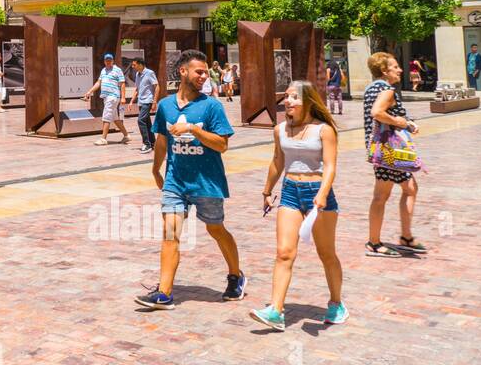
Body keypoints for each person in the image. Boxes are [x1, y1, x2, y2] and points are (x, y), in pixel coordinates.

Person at [134, 49, 245, 310]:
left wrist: (195, 129)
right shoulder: (165, 106)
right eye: (199, 71)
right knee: (170, 234)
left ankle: (235, 276)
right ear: (183, 71)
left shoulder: (211, 106)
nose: (204, 76)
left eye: (206, 72)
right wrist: (155, 169)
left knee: (215, 230)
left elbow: (222, 145)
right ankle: (164, 293)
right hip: (176, 181)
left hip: (207, 181)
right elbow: (161, 139)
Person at [250, 80, 347, 331]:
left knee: (326, 254)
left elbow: (330, 165)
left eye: (294, 97)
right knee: (284, 252)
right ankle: (275, 311)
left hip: (318, 194)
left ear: (309, 101)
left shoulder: (324, 130)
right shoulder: (280, 129)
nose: (288, 101)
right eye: (286, 96)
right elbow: (277, 161)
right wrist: (267, 190)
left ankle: (336, 303)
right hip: (290, 191)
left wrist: (323, 193)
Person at [364, 52, 425, 257]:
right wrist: (403, 123)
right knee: (381, 195)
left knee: (410, 188)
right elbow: (377, 113)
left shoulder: (372, 88)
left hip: (384, 150)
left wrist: (407, 120)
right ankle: (374, 243)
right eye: (395, 67)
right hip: (389, 151)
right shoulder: (387, 90)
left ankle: (406, 237)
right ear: (384, 71)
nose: (400, 70)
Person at [85, 52, 129, 145]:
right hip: (106, 97)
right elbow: (98, 82)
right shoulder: (103, 70)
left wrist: (123, 97)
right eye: (106, 60)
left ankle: (103, 139)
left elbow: (123, 83)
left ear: (113, 61)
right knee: (115, 118)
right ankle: (126, 135)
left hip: (113, 97)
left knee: (106, 116)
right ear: (104, 61)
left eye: (110, 60)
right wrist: (90, 91)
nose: (108, 61)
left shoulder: (117, 70)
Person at [128, 56, 159, 155]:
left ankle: (146, 144)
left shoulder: (149, 73)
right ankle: (153, 142)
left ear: (140, 64)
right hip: (141, 101)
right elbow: (137, 89)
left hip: (148, 101)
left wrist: (154, 102)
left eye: (134, 64)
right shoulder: (137, 74)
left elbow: (157, 87)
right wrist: (131, 101)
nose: (133, 66)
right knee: (147, 122)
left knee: (140, 120)